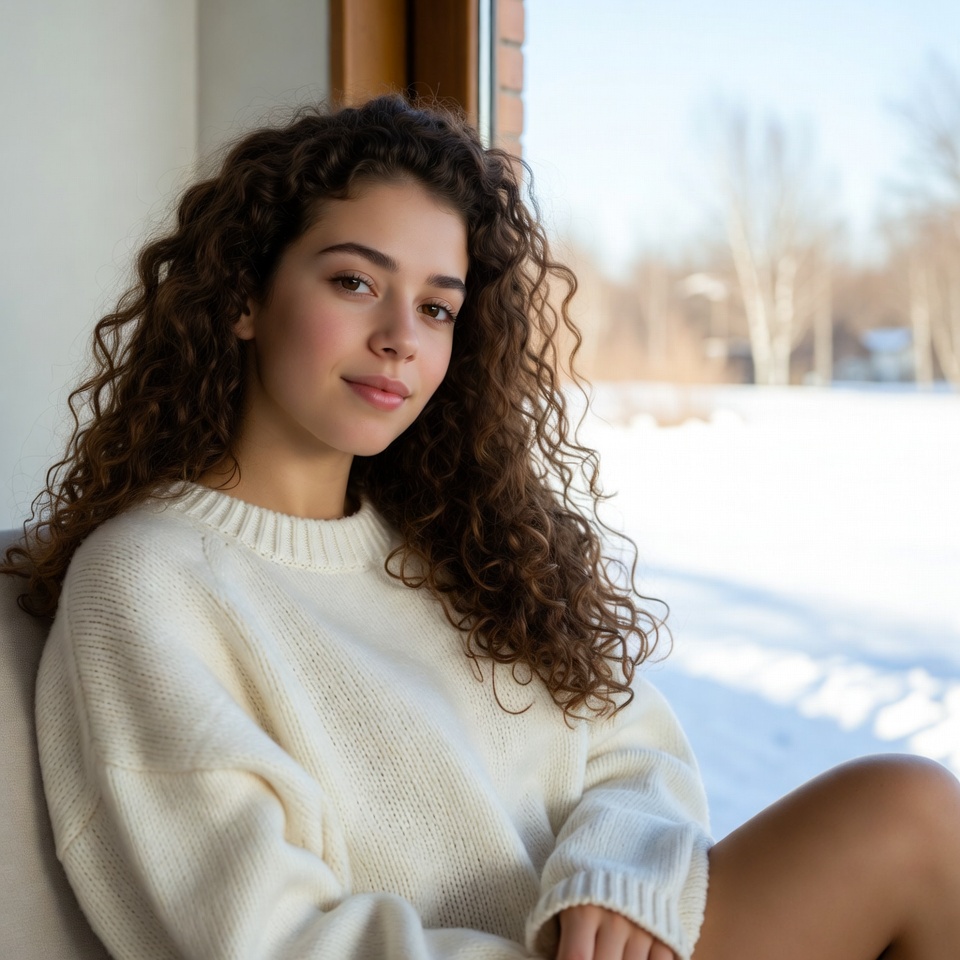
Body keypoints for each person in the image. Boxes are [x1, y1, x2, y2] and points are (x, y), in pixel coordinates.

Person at [4, 95, 960, 960]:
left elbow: (632, 752)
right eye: (352, 282)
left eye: (436, 307)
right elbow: (264, 936)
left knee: (915, 807)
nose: (400, 338)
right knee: (913, 817)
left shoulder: (450, 541)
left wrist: (614, 884)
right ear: (245, 297)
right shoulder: (148, 581)